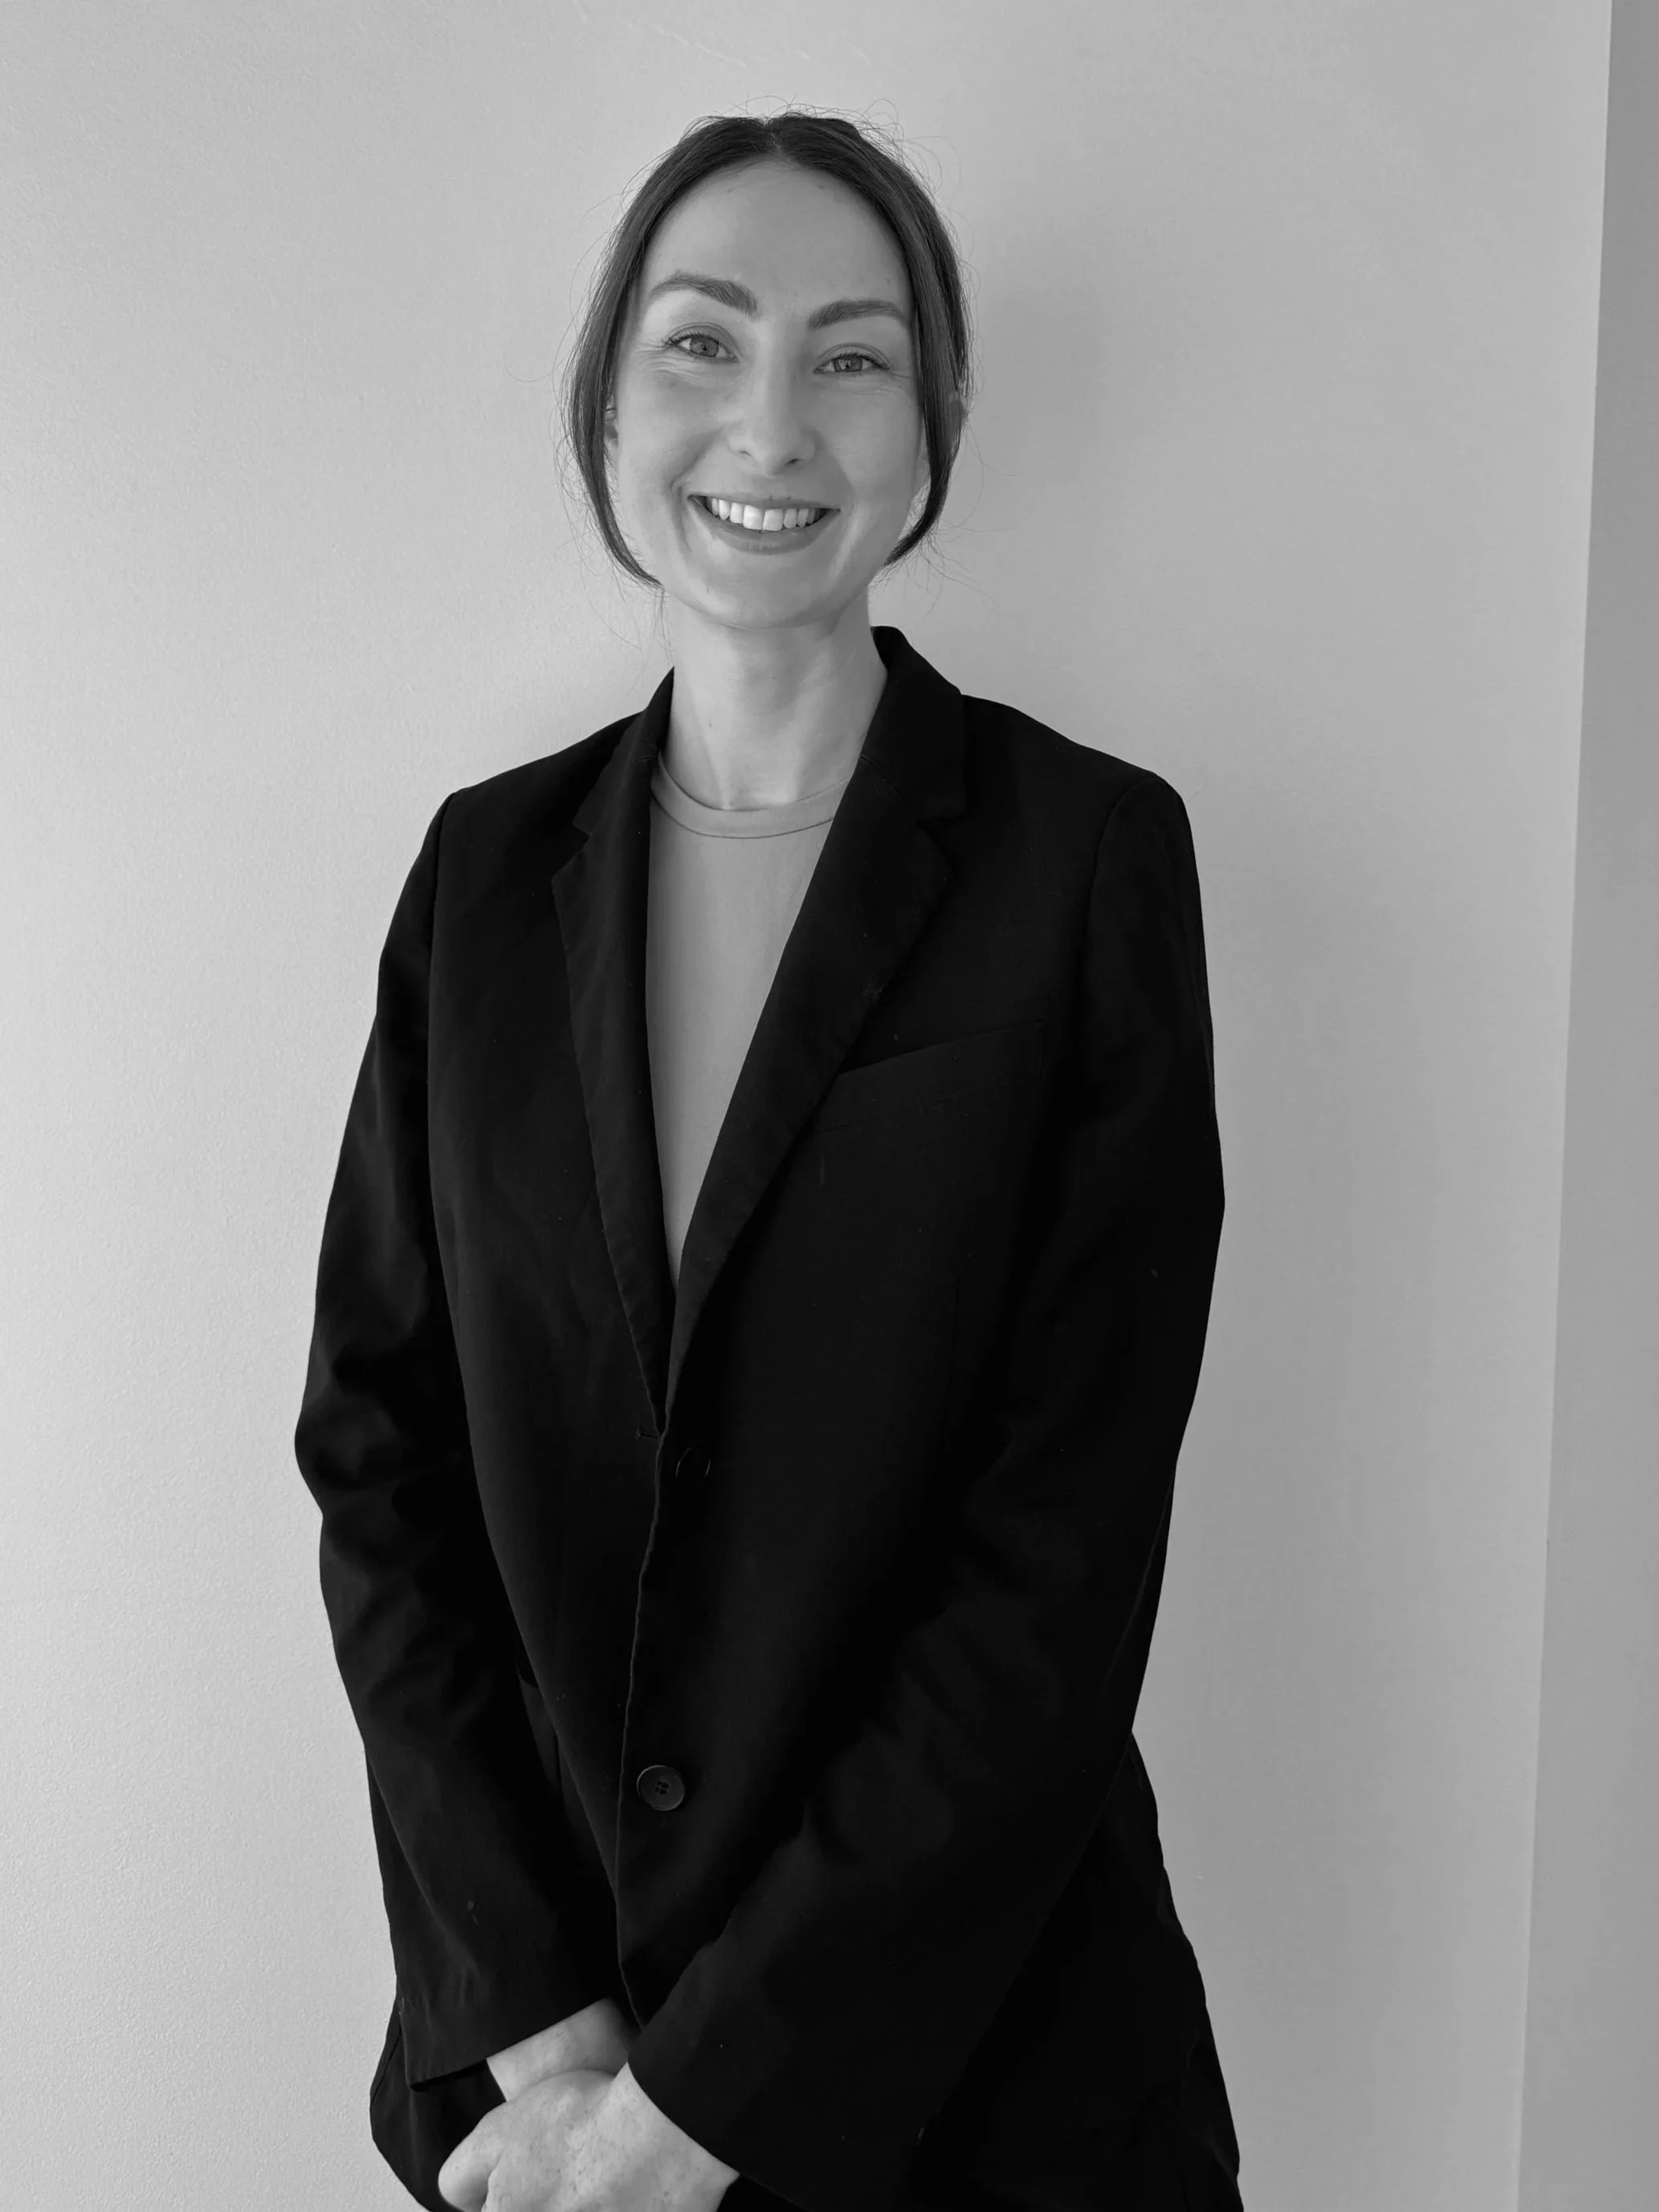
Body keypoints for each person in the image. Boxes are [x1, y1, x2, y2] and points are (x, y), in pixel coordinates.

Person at [295, 107, 1243, 2212]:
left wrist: (707, 2108)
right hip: (550, 2091)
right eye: (702, 345)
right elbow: (383, 1457)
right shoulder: (481, 879)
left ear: (932, 428)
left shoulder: (1083, 864)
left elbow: (1059, 1557)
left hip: (985, 2080)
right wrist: (548, 2037)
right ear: (609, 405)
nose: (774, 422)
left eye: (856, 354)